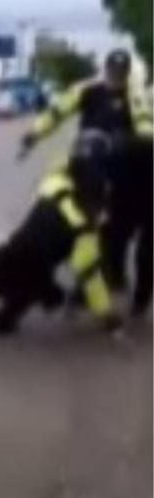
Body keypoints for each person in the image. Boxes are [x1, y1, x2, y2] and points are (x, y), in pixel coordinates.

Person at [0, 131, 122, 340]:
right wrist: (105, 312)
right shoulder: (86, 230)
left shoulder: (53, 189)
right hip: (37, 281)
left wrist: (75, 157)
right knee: (28, 285)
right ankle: (17, 315)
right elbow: (90, 275)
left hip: (11, 264)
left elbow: (58, 168)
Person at [21, 49, 154, 315]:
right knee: (103, 234)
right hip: (104, 172)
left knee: (147, 245)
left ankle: (140, 298)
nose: (116, 78)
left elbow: (146, 129)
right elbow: (57, 111)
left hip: (141, 174)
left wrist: (125, 143)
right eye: (112, 73)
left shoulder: (137, 95)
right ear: (105, 70)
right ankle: (95, 286)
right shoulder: (88, 90)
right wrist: (33, 135)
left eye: (121, 74)